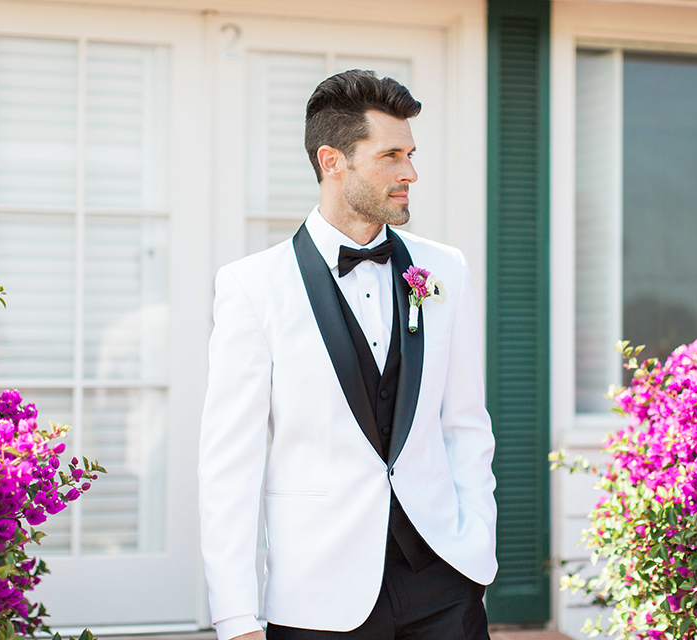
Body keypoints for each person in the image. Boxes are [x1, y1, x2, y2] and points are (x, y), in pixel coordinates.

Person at [198, 69, 497, 640]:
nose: (410, 172)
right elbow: (229, 466)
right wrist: (236, 618)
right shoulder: (252, 287)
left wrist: (476, 548)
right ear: (332, 161)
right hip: (319, 597)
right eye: (390, 155)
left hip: (444, 584)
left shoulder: (446, 271)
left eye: (410, 153)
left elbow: (464, 424)